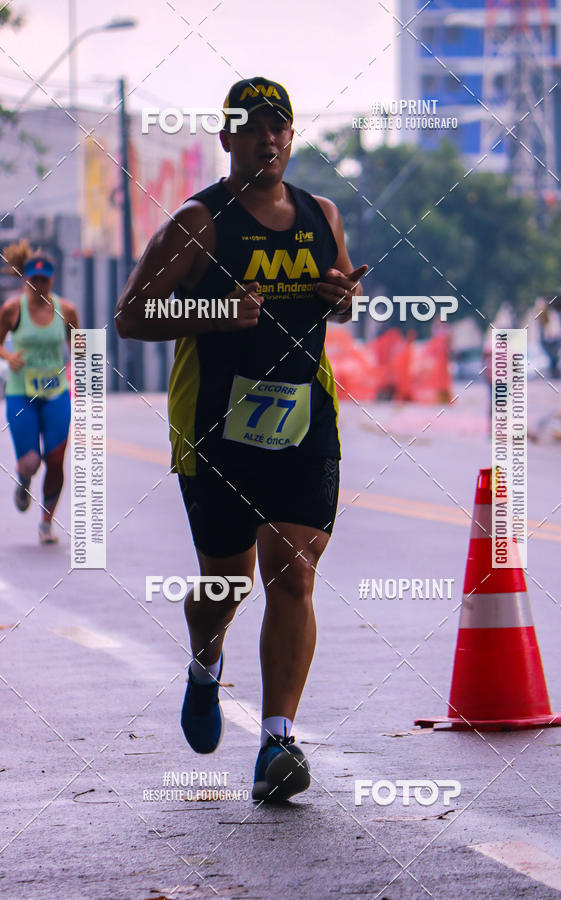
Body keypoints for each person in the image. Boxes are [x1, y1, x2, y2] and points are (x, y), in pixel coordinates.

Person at [115, 77, 367, 802]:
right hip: (216, 429)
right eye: (253, 128)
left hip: (304, 419)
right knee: (228, 581)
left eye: (280, 128)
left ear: (292, 135)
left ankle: (277, 742)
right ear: (227, 138)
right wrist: (216, 311)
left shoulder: (322, 214)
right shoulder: (199, 223)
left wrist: (343, 298)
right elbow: (131, 317)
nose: (269, 140)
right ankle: (205, 662)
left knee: (293, 569)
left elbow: (340, 303)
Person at [0, 240, 79, 543]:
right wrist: (9, 357)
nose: (40, 285)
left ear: (52, 279)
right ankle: (23, 480)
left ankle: (46, 522)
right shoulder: (11, 310)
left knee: (56, 461)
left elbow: (79, 348)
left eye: (45, 280)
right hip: (22, 394)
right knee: (31, 462)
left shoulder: (67, 310)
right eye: (34, 279)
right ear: (26, 278)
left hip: (56, 393)